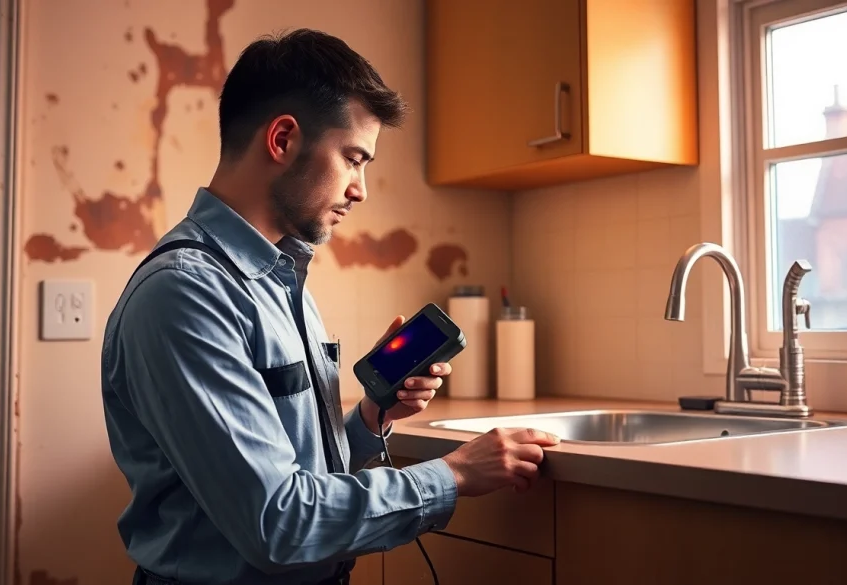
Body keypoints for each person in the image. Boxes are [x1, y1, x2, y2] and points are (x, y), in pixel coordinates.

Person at [100, 28, 560, 585]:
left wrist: (370, 418)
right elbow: (279, 523)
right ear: (283, 139)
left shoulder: (279, 278)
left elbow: (294, 469)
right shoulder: (186, 295)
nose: (360, 188)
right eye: (353, 158)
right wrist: (454, 474)